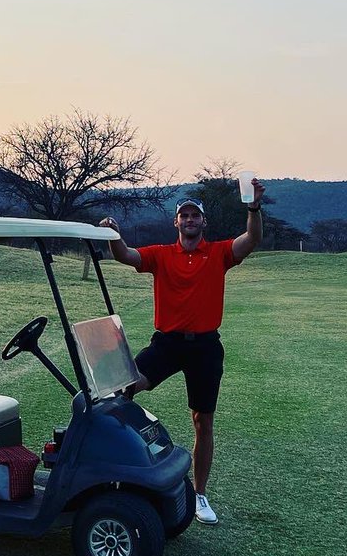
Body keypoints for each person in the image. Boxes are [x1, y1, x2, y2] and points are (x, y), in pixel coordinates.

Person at [99, 180, 264, 526]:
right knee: (124, 388)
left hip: (205, 347)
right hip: (167, 344)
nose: (189, 220)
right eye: (184, 216)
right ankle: (124, 466)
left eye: (195, 216)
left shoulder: (218, 252)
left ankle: (199, 494)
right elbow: (126, 255)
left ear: (203, 221)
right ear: (176, 222)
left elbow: (251, 239)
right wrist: (114, 235)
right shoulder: (161, 254)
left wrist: (253, 207)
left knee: (203, 420)